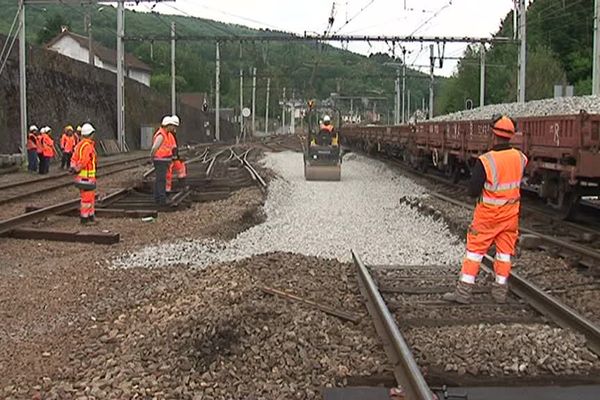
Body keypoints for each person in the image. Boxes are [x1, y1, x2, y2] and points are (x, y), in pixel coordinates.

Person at [443, 115, 528, 304]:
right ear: (511, 136)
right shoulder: (520, 158)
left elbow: (473, 191)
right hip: (510, 215)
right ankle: (500, 291)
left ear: (493, 135)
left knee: (474, 252)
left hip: (488, 215)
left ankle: (463, 292)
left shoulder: (486, 161)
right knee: (505, 253)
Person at [70, 123, 97, 225]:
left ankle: (90, 216)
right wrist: (78, 168)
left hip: (82, 177)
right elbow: (84, 161)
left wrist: (73, 167)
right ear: (91, 134)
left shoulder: (79, 145)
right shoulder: (87, 146)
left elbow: (73, 159)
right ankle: (85, 218)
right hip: (87, 177)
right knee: (87, 199)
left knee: (89, 197)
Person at [150, 116, 177, 205]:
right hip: (160, 160)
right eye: (172, 126)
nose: (173, 128)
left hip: (163, 160)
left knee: (160, 180)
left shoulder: (166, 134)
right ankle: (162, 200)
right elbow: (154, 148)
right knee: (161, 180)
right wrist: (152, 157)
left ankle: (158, 198)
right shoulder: (161, 135)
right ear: (167, 125)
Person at [165, 115, 187, 192]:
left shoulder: (170, 134)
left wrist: (176, 156)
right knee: (168, 172)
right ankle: (167, 189)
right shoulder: (165, 134)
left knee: (181, 167)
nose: (175, 128)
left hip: (171, 156)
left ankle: (182, 184)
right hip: (167, 157)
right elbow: (171, 146)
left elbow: (174, 146)